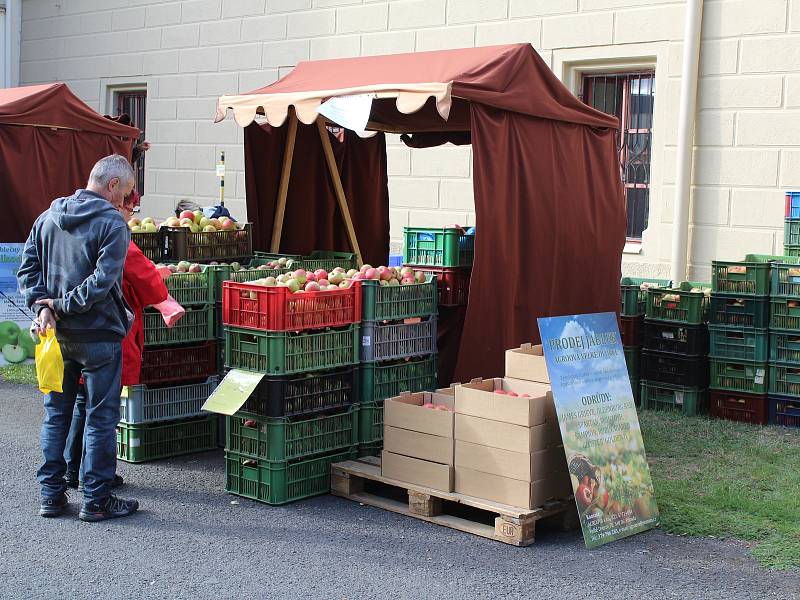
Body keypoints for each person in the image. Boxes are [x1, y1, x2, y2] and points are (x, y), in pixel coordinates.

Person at [18, 154, 140, 522]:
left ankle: (51, 496)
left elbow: (28, 270)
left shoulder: (48, 216)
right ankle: (96, 499)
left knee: (56, 416)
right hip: (99, 335)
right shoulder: (113, 225)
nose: (129, 202)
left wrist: (45, 309)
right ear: (113, 185)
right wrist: (57, 304)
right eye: (128, 192)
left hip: (56, 334)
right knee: (101, 418)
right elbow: (102, 284)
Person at [64, 192, 169, 490]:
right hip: (107, 331)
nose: (131, 214)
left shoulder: (68, 226)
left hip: (71, 327)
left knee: (78, 405)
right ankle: (95, 479)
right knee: (102, 411)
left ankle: (72, 470)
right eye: (131, 206)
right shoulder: (115, 235)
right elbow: (150, 282)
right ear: (117, 201)